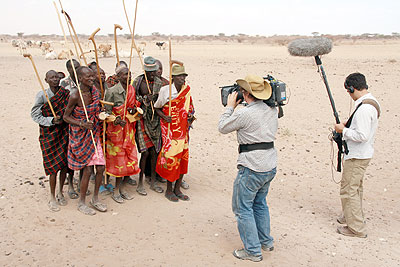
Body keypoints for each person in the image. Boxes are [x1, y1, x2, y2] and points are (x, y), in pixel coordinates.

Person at [218, 74, 277, 262]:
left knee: (242, 208)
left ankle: (252, 251)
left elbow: (222, 127)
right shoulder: (272, 109)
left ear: (246, 93)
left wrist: (229, 107)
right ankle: (265, 241)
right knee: (259, 203)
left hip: (252, 166)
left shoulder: (244, 114)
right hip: (269, 164)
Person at [334, 72, 380, 238]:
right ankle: (351, 215)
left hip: (357, 155)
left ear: (352, 88)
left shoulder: (364, 108)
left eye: (348, 90)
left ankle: (356, 228)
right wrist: (349, 124)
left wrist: (343, 131)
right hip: (362, 154)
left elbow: (362, 135)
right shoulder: (370, 102)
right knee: (356, 188)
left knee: (349, 190)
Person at [63, 66, 107, 215]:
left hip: (94, 134)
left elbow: (97, 109)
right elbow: (66, 117)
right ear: (80, 79)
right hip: (81, 136)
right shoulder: (75, 95)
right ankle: (81, 202)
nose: (92, 79)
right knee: (87, 170)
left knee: (100, 168)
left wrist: (101, 114)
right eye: (88, 77)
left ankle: (95, 198)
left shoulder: (95, 91)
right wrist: (81, 123)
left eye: (92, 76)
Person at [31, 70, 74, 211]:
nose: (55, 80)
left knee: (63, 165)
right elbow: (35, 114)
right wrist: (51, 120)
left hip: (63, 133)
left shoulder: (65, 94)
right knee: (52, 168)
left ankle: (61, 192)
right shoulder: (42, 95)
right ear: (46, 80)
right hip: (49, 135)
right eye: (52, 78)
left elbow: (70, 110)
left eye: (56, 77)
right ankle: (51, 196)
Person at [154, 63, 195, 202]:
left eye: (184, 75)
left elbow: (190, 108)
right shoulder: (166, 91)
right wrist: (165, 117)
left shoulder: (187, 90)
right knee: (171, 159)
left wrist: (190, 116)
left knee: (183, 159)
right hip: (170, 131)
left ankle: (178, 188)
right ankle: (169, 190)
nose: (183, 78)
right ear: (173, 77)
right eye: (180, 76)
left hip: (183, 131)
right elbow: (157, 108)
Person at [104, 65, 141, 203]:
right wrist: (116, 119)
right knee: (118, 161)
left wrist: (133, 111)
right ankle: (116, 190)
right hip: (116, 133)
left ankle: (122, 188)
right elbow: (106, 112)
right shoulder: (112, 91)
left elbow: (134, 106)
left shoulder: (131, 89)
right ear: (118, 77)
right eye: (125, 74)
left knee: (129, 159)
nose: (129, 76)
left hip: (129, 130)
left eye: (130, 73)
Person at [133, 56, 164, 195]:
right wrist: (145, 99)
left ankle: (152, 181)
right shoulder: (138, 82)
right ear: (145, 71)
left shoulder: (159, 82)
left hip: (156, 120)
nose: (152, 74)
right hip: (142, 119)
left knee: (154, 152)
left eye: (154, 71)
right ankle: (140, 182)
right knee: (144, 152)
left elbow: (164, 100)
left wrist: (156, 98)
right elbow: (132, 98)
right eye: (150, 72)